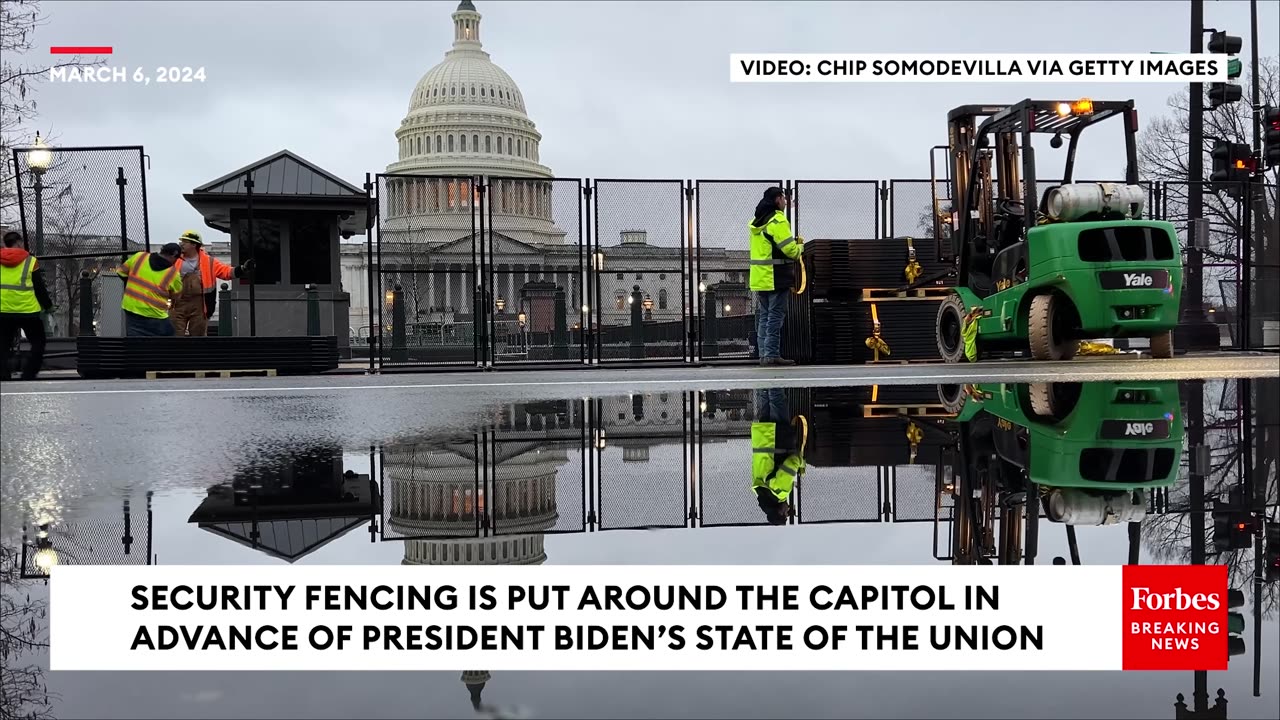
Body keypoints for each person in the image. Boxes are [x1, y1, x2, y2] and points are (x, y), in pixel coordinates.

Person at [749, 186, 803, 366]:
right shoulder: (777, 220)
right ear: (778, 200)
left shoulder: (757, 222)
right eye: (784, 198)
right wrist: (800, 248)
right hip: (776, 277)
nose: (786, 202)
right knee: (775, 317)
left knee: (764, 317)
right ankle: (772, 355)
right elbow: (790, 249)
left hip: (760, 278)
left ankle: (764, 355)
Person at [171, 230, 250, 337]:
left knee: (198, 335)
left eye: (185, 241)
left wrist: (242, 269)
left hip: (200, 304)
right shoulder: (174, 260)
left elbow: (226, 272)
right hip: (178, 303)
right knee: (174, 335)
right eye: (181, 241)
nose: (181, 244)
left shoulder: (209, 262)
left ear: (194, 244)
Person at [0, 231, 53, 380]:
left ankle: (3, 374)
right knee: (38, 342)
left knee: (3, 344)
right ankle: (29, 373)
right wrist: (48, 305)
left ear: (6, 244)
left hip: (3, 309)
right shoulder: (30, 261)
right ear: (18, 243)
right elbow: (39, 287)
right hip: (27, 311)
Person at [751, 387, 806, 525]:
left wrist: (801, 463)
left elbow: (792, 462)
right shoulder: (760, 491)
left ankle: (773, 370)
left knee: (777, 398)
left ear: (780, 512)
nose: (788, 509)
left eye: (786, 513)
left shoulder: (780, 492)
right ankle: (763, 369)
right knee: (764, 398)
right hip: (763, 437)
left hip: (778, 438)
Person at [117, 243, 184, 336]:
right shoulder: (173, 273)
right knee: (169, 336)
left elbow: (120, 272)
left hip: (132, 309)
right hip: (156, 315)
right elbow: (177, 296)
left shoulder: (139, 257)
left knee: (135, 340)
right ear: (173, 255)